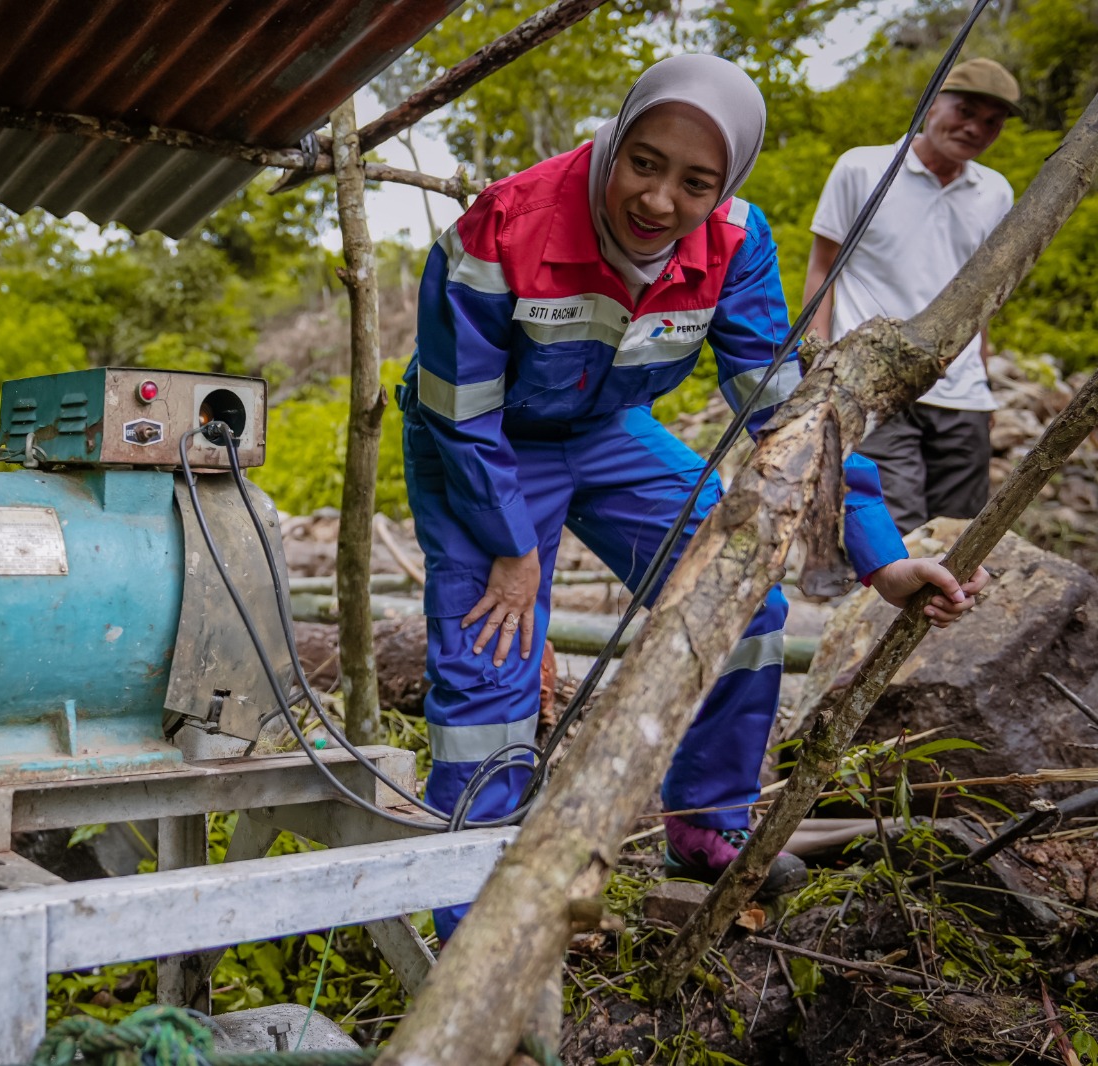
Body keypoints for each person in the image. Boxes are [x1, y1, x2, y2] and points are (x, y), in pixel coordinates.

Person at [398, 54, 990, 942]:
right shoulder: (503, 225)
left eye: (695, 181)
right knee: (494, 655)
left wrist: (882, 554)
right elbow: (463, 408)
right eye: (644, 162)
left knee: (742, 600)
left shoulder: (737, 241)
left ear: (728, 182)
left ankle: (708, 825)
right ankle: (471, 917)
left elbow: (782, 411)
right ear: (614, 141)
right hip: (481, 444)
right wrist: (513, 550)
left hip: (607, 431)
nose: (660, 201)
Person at [806, 58, 1019, 534]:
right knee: (892, 527)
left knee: (956, 537)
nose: (974, 128)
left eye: (992, 122)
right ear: (930, 104)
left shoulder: (995, 193)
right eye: (964, 110)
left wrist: (982, 384)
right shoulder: (863, 169)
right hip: (876, 383)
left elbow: (981, 301)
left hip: (962, 395)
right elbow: (823, 270)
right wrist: (819, 364)